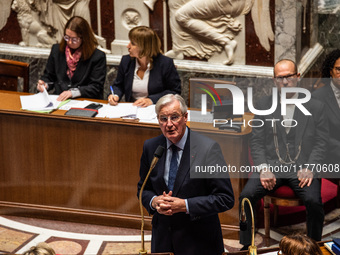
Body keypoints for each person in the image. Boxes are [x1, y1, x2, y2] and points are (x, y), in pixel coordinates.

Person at [239, 59, 329, 250]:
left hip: (303, 167)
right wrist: (263, 168)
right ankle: (246, 246)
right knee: (246, 196)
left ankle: (313, 246)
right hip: (272, 165)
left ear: (297, 77)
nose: (285, 82)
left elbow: (322, 143)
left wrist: (311, 168)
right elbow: (256, 140)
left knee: (314, 202)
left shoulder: (316, 106)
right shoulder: (264, 104)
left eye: (289, 77)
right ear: (274, 81)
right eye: (280, 78)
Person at [137, 94, 234, 254]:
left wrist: (185, 205)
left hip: (198, 240)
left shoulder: (207, 149)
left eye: (174, 117)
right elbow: (143, 189)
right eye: (163, 119)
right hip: (163, 239)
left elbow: (225, 198)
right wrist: (154, 201)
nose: (169, 124)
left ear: (185, 117)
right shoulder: (151, 147)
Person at [108, 26, 181, 108]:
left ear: (144, 47)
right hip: (132, 108)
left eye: (132, 43)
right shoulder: (126, 61)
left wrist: (151, 100)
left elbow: (174, 91)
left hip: (157, 109)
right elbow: (118, 85)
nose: (128, 46)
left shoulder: (165, 63)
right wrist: (115, 95)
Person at [37, 16, 107, 100]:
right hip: (59, 100)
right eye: (67, 37)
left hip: (84, 101)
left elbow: (96, 87)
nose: (69, 42)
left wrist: (73, 93)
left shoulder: (97, 56)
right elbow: (49, 76)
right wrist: (45, 85)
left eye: (74, 39)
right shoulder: (57, 50)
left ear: (84, 38)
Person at [312, 49, 340, 165]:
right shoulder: (317, 98)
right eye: (338, 69)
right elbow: (320, 138)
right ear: (330, 71)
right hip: (332, 158)